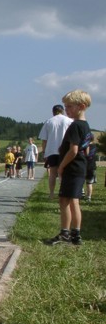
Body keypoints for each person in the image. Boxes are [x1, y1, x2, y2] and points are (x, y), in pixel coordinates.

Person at [45, 90, 92, 246]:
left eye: (70, 106)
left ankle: (65, 233)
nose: (66, 110)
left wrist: (61, 166)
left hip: (71, 168)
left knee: (64, 200)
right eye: (65, 106)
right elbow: (85, 149)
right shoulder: (85, 126)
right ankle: (76, 235)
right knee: (74, 201)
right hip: (80, 167)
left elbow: (74, 150)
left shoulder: (75, 126)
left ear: (81, 106)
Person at [38, 104, 73, 199]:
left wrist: (44, 152)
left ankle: (52, 193)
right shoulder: (69, 121)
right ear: (63, 111)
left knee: (52, 174)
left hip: (51, 150)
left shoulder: (49, 121)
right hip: (65, 151)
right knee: (63, 173)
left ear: (53, 112)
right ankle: (63, 193)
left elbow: (44, 140)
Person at [84, 133, 97, 202]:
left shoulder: (85, 146)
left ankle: (82, 193)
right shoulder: (95, 146)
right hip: (92, 166)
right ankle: (89, 197)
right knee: (89, 183)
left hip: (84, 166)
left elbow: (86, 154)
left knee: (81, 181)